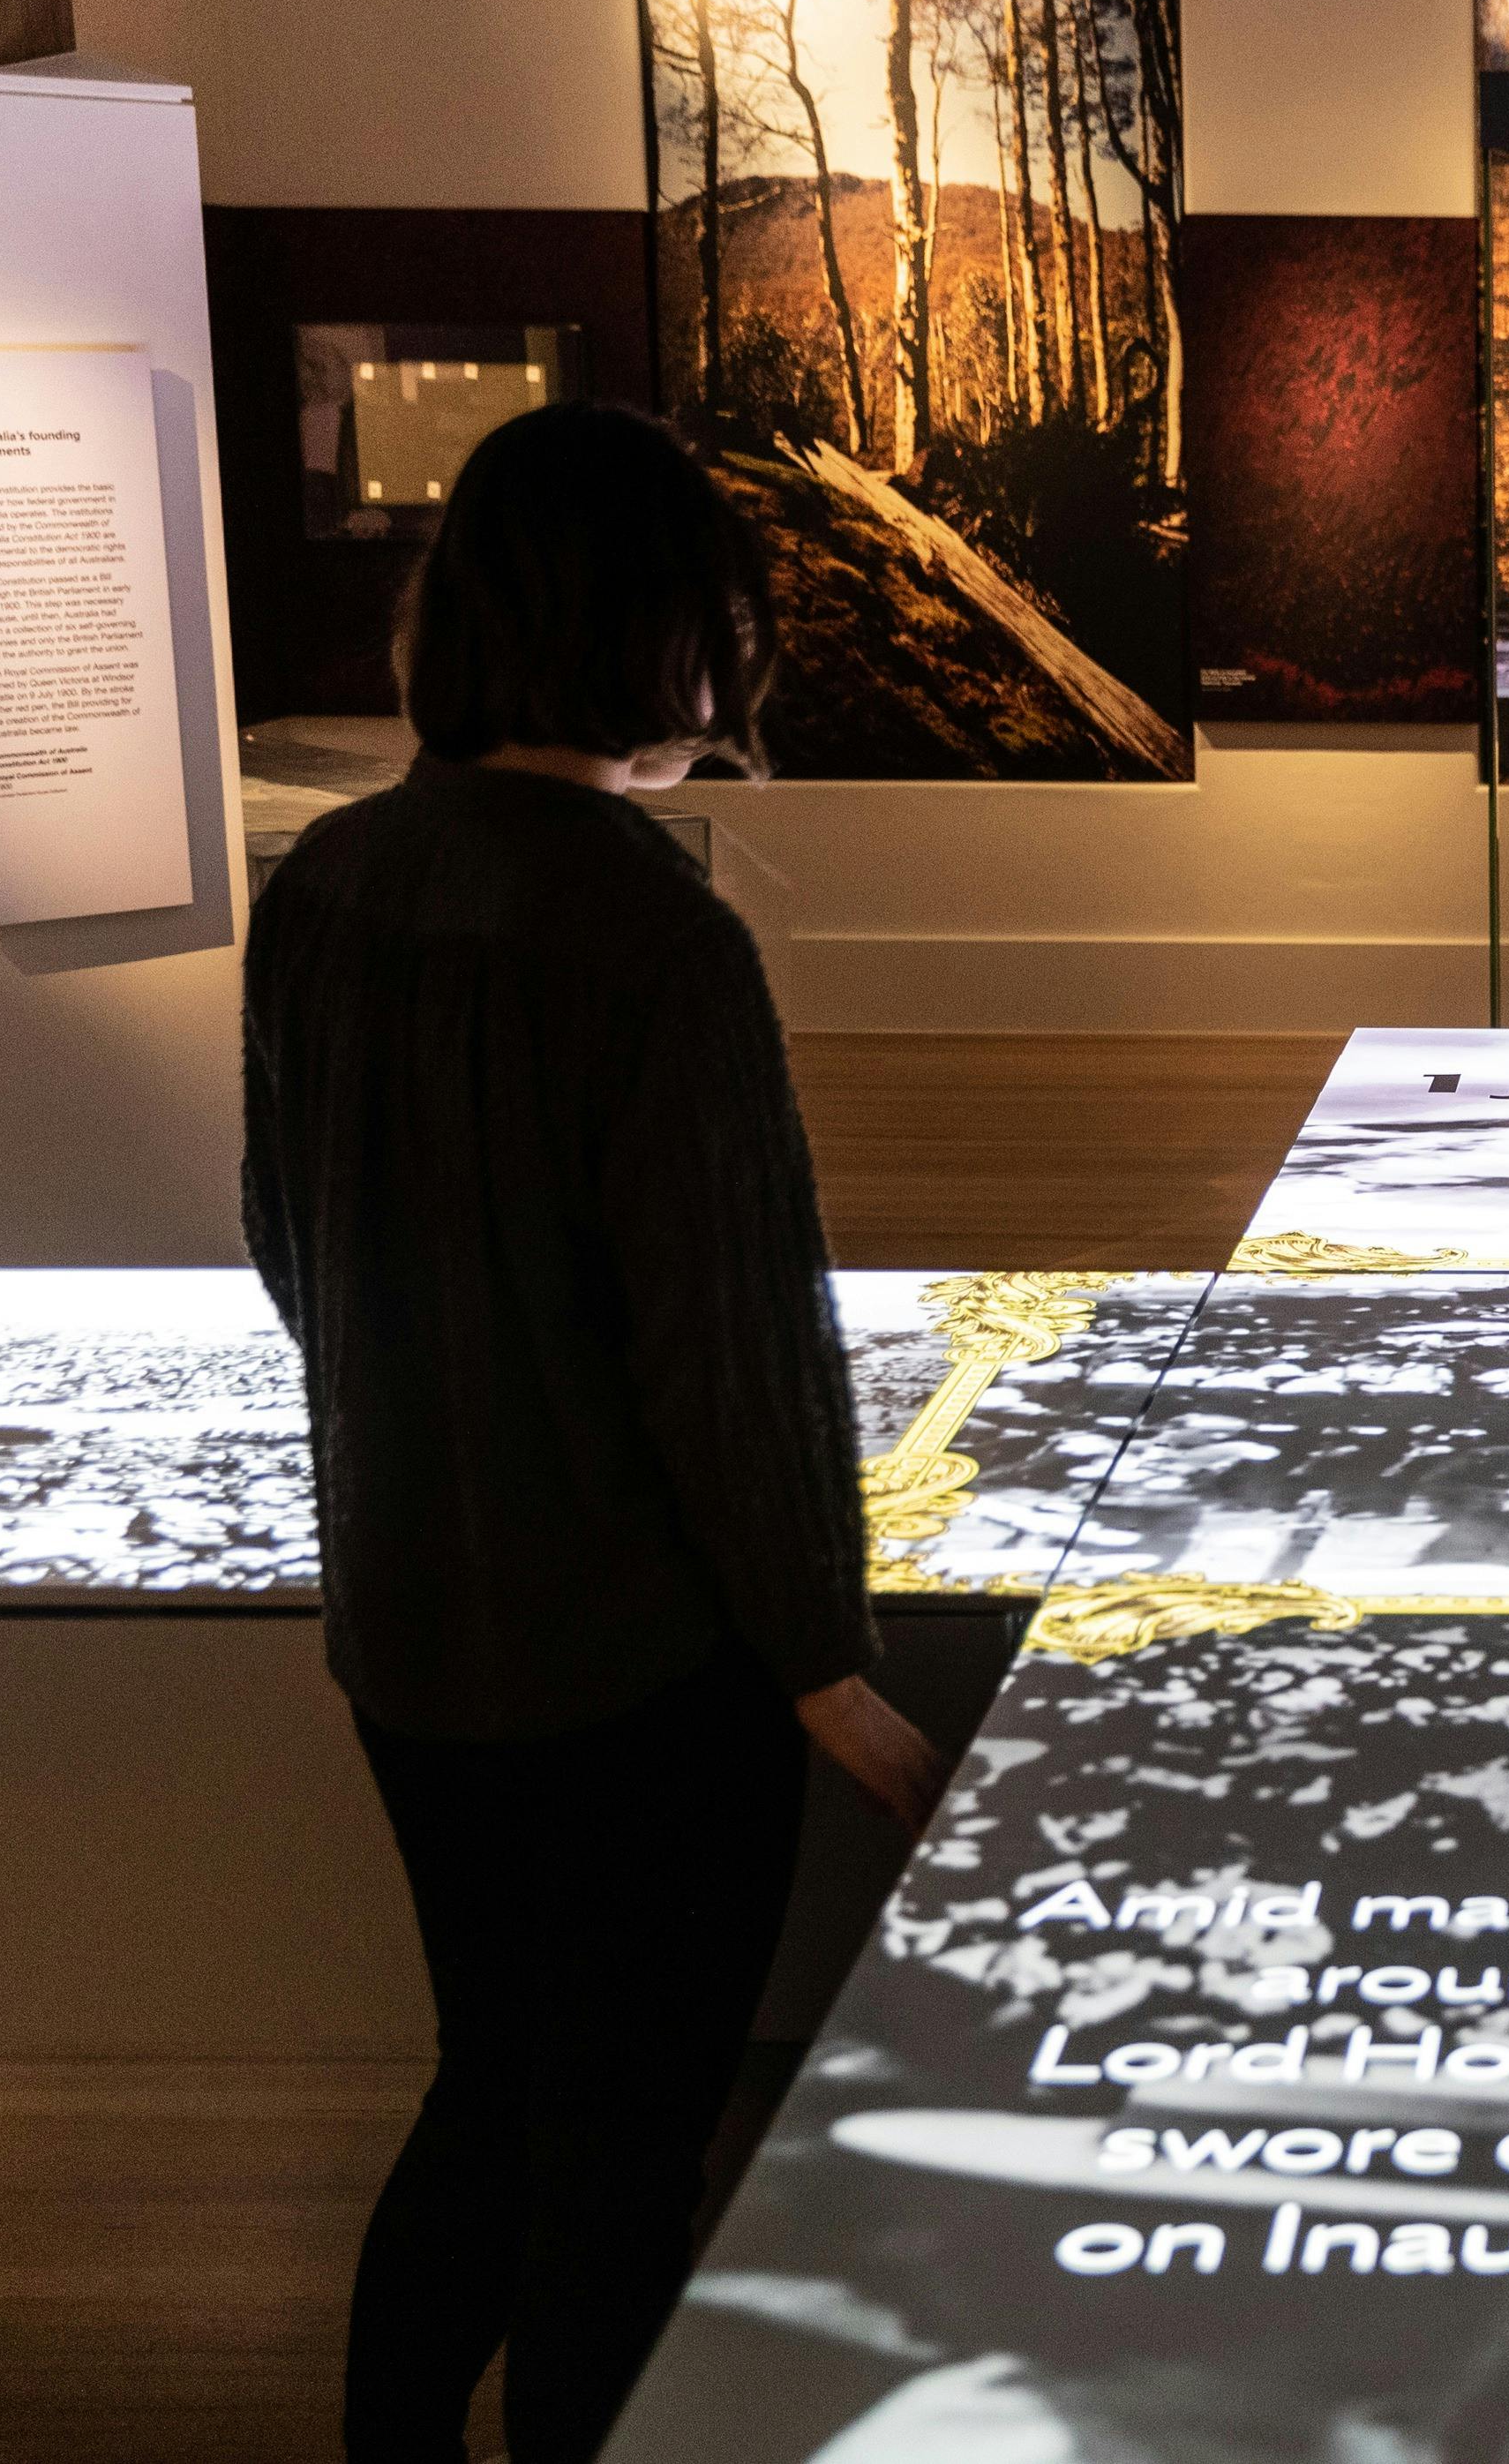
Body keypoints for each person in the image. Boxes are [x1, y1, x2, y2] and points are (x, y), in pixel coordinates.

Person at [241, 403, 948, 2464]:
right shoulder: (655, 935)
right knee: (624, 2145)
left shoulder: (337, 880)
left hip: (413, 1629)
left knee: (494, 2073)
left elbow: (285, 1238)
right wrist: (828, 1666)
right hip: (636, 1673)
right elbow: (725, 1350)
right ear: (665, 638)